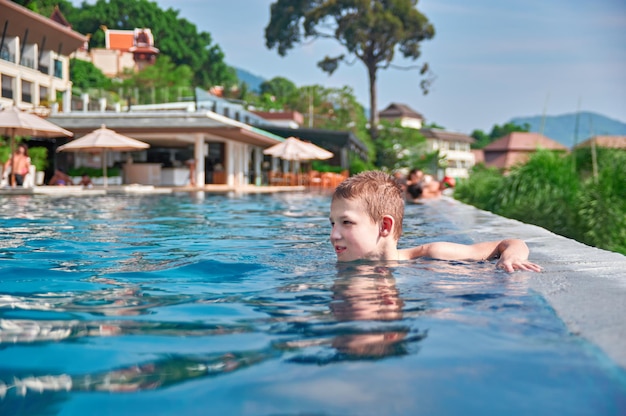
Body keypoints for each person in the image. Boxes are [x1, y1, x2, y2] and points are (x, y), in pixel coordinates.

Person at [329, 170, 542, 272]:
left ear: (385, 227)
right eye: (333, 223)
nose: (333, 235)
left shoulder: (429, 255)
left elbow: (511, 243)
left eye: (346, 222)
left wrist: (510, 258)